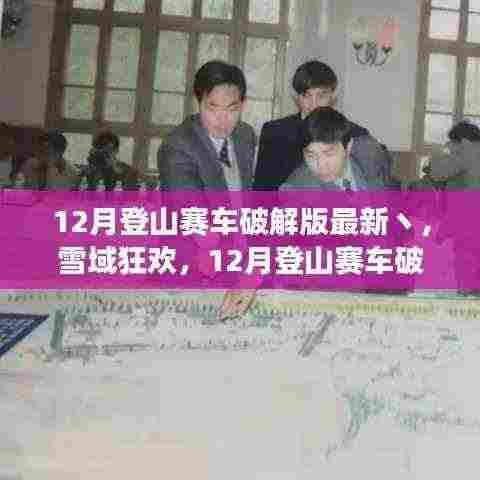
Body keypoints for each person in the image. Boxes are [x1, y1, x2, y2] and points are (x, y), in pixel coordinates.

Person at [158, 60, 257, 320]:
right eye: (212, 108)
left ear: (243, 105)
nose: (223, 119)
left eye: (232, 109)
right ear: (198, 102)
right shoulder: (178, 145)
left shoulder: (245, 136)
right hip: (192, 270)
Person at [253, 60, 395, 190]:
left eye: (321, 96)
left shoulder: (357, 134)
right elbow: (261, 191)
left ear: (332, 97)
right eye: (306, 95)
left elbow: (381, 180)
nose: (313, 104)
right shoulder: (275, 132)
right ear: (296, 97)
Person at [280, 107, 388, 191]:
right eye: (311, 155)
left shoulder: (370, 155)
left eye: (328, 154)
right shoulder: (296, 190)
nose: (321, 166)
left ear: (348, 147)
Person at [11, 131, 79, 190]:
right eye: (38, 151)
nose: (39, 156)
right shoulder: (29, 165)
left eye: (45, 152)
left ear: (60, 152)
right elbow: (17, 189)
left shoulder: (72, 173)